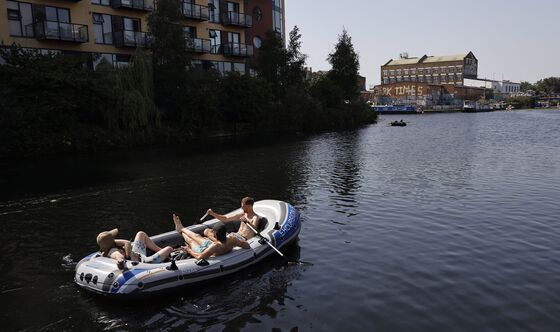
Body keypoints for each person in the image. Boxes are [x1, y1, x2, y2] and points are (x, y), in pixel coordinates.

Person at [173, 215, 250, 261]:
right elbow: (247, 245)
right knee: (197, 236)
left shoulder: (215, 246)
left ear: (215, 234)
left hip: (205, 250)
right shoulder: (232, 239)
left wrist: (188, 250)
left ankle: (180, 231)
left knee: (191, 241)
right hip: (212, 245)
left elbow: (199, 257)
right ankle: (182, 228)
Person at [97, 228, 173, 269]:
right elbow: (118, 256)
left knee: (141, 234)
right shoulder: (113, 251)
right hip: (145, 262)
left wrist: (128, 255)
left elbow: (127, 243)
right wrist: (120, 261)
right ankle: (166, 254)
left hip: (137, 254)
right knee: (169, 248)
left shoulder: (113, 243)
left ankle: (159, 250)